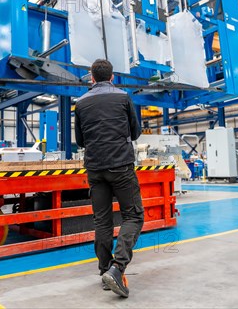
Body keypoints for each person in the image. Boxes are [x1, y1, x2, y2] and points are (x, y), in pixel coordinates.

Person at [74, 59, 143, 298]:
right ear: (112, 77)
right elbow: (135, 132)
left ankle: (105, 270)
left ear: (91, 78)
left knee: (102, 221)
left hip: (95, 168)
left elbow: (80, 141)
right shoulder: (123, 97)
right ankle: (117, 268)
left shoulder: (80, 103)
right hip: (121, 166)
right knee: (133, 215)